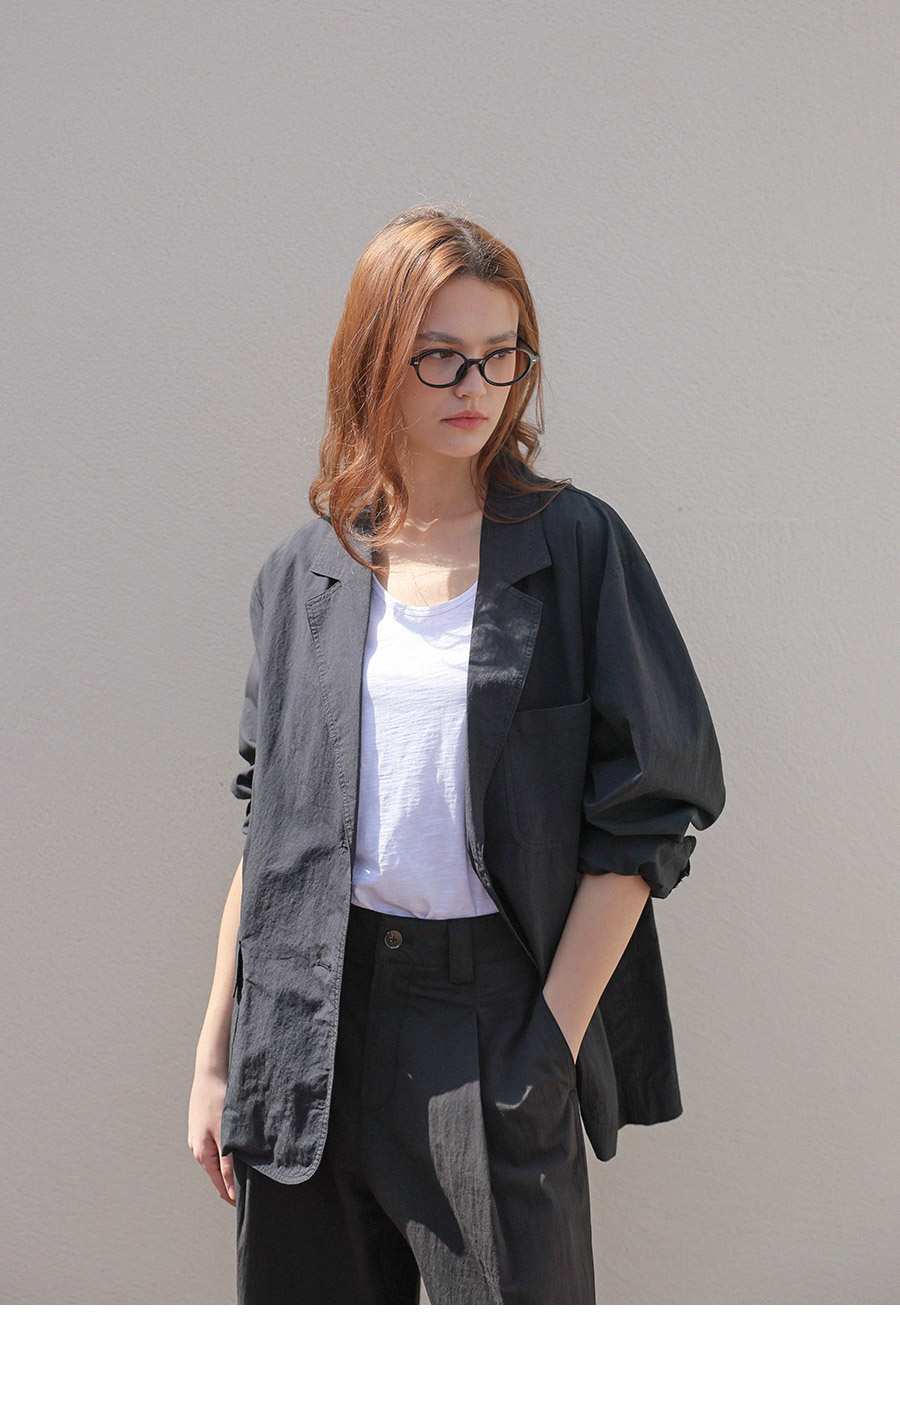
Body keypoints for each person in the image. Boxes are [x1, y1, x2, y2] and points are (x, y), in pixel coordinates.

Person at [187, 204, 726, 1305]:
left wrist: (547, 1044)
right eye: (439, 355)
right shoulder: (305, 571)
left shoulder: (575, 546)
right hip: (309, 1018)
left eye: (499, 354)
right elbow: (269, 825)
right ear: (374, 358)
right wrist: (214, 1054)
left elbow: (649, 804)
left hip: (490, 1018)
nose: (474, 384)